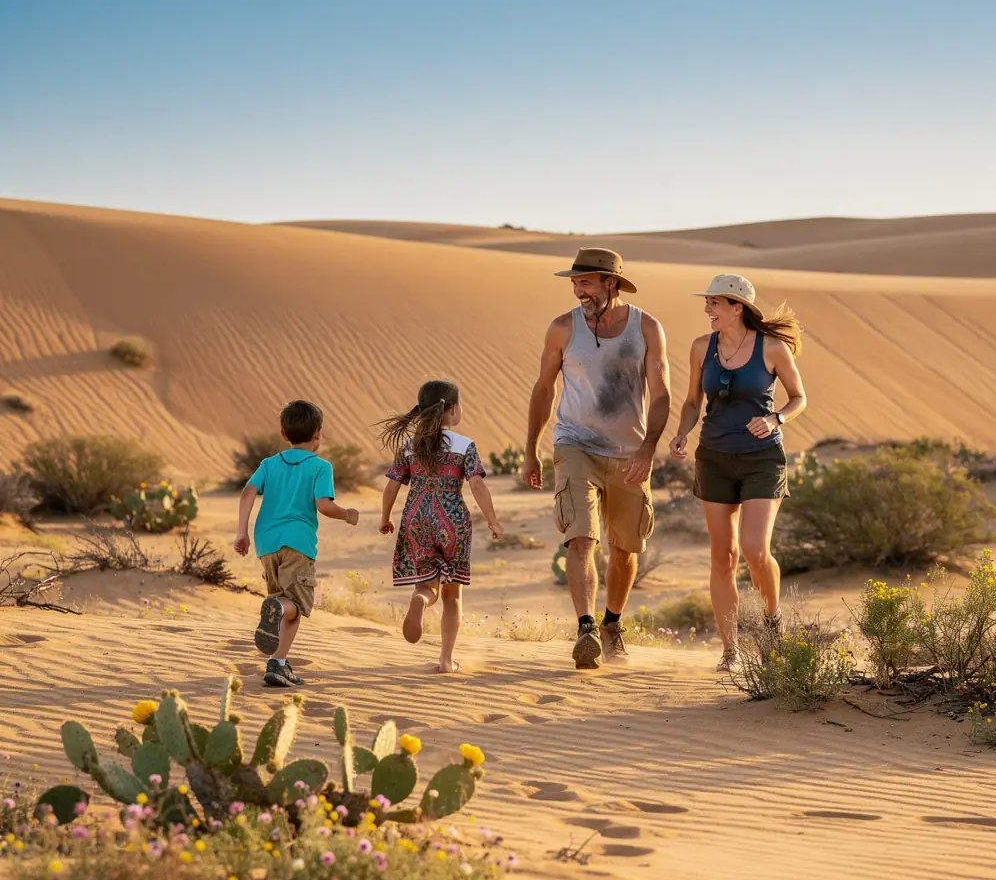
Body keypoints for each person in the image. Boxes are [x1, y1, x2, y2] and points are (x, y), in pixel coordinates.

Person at [523, 248, 671, 669]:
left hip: (630, 453)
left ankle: (612, 624)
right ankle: (586, 628)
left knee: (625, 550)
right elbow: (544, 389)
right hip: (575, 445)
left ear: (612, 282)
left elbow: (661, 393)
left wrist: (648, 449)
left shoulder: (647, 328)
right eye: (574, 283)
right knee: (581, 537)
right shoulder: (561, 328)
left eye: (585, 282)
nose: (577, 290)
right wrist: (531, 449)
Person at [668, 274, 807, 672]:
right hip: (713, 458)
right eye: (707, 302)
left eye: (715, 302)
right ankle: (730, 650)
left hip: (762, 458)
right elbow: (692, 401)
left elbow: (799, 397)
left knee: (754, 549)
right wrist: (682, 432)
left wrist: (776, 419)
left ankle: (772, 620)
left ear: (738, 307)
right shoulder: (701, 347)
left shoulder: (773, 348)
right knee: (723, 556)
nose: (707, 308)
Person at [378, 380, 502, 674]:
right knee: (452, 595)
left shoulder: (410, 447)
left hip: (417, 518)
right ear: (453, 409)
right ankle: (446, 661)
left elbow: (392, 486)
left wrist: (385, 517)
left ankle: (421, 599)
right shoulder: (464, 445)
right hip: (452, 520)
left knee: (427, 586)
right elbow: (477, 485)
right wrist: (492, 519)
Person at [234, 399, 360, 687]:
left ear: (283, 434)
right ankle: (278, 657)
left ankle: (278, 664)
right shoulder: (320, 466)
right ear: (318, 433)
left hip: (266, 543)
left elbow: (248, 492)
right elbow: (324, 505)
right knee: (295, 605)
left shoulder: (268, 464)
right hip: (298, 542)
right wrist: (347, 515)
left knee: (281, 599)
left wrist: (241, 532)